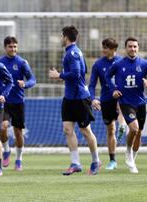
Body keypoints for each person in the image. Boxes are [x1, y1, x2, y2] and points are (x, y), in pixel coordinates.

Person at [49, 25, 101, 176]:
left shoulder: (73, 53)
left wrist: (60, 76)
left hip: (79, 98)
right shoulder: (69, 53)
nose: (60, 39)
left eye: (61, 36)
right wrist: (64, 78)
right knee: (67, 129)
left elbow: (77, 73)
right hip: (69, 97)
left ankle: (96, 161)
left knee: (85, 131)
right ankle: (75, 163)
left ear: (65, 37)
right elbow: (81, 71)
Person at [105, 37, 147, 174]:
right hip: (126, 102)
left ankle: (132, 161)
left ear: (138, 48)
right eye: (130, 46)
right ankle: (128, 151)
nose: (132, 49)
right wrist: (113, 90)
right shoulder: (119, 64)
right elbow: (107, 76)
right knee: (133, 129)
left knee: (139, 132)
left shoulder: (144, 64)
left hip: (140, 102)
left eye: (135, 46)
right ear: (126, 48)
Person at [0, 36, 36, 171]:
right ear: (5, 48)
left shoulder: (22, 62)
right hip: (4, 102)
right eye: (10, 47)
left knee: (18, 133)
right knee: (3, 127)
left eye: (15, 46)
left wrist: (25, 84)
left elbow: (32, 79)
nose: (13, 49)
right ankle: (6, 150)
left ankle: (18, 160)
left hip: (18, 102)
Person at [88, 38, 127, 170]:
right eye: (103, 47)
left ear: (113, 49)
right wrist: (93, 98)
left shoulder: (122, 62)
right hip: (106, 99)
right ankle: (112, 160)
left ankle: (122, 124)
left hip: (122, 95)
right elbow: (92, 84)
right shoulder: (98, 64)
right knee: (110, 130)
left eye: (106, 47)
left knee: (121, 106)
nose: (103, 50)